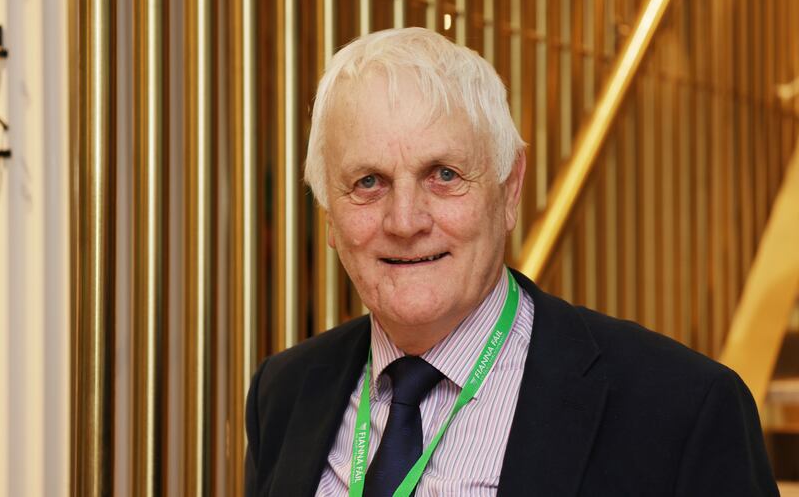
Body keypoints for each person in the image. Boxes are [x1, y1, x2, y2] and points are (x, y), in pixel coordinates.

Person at [245, 27, 777, 496]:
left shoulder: (681, 409)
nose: (405, 221)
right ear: (329, 217)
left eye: (445, 174)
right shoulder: (286, 394)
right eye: (368, 182)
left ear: (510, 189)